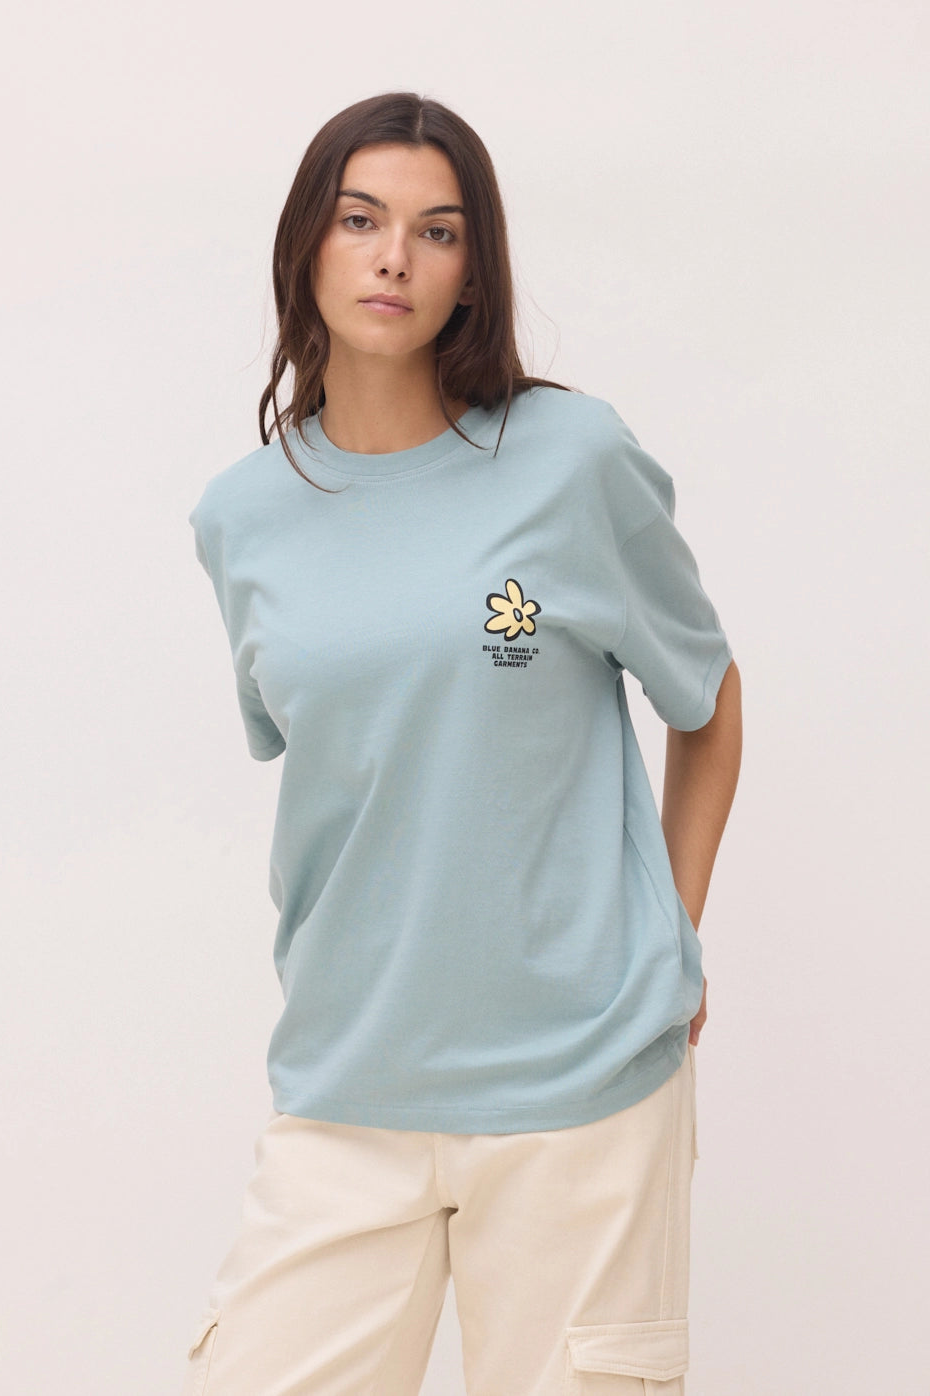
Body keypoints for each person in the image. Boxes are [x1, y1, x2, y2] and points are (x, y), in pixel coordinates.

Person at [182, 92, 742, 1396]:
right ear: (306, 245)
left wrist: (673, 930)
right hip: (348, 1079)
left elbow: (706, 699)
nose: (394, 258)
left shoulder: (571, 459)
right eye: (360, 220)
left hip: (583, 1087)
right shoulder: (242, 517)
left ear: (473, 270)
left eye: (437, 231)